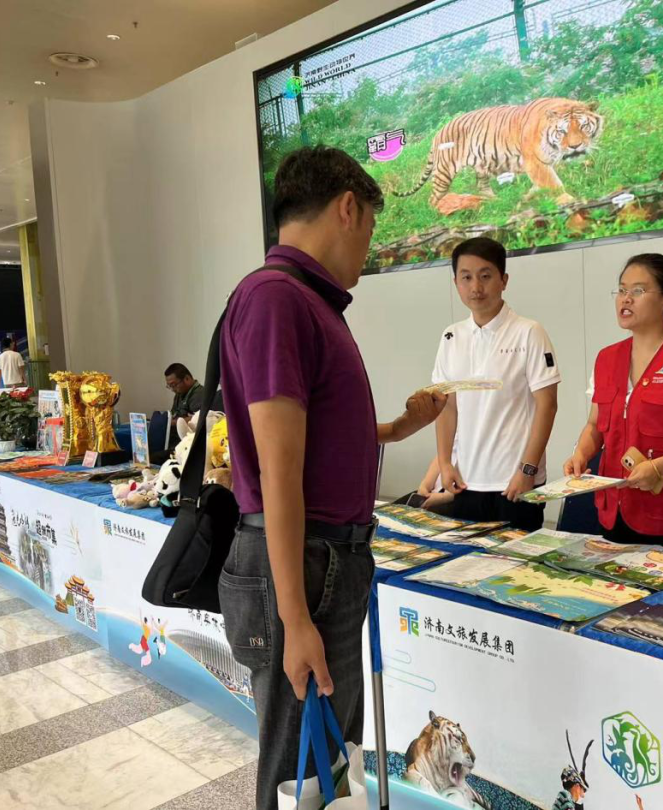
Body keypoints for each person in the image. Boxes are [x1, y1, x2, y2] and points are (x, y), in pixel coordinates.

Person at [217, 145, 446, 810]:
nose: (368, 251)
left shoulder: (306, 302)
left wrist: (399, 427)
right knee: (300, 768)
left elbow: (313, 438)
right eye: (371, 228)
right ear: (348, 208)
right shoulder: (276, 299)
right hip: (304, 566)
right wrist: (294, 618)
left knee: (329, 763)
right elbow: (279, 468)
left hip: (324, 561)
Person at [564, 254, 663, 556]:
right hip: (615, 509)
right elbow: (595, 425)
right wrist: (581, 453)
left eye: (638, 291)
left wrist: (657, 467)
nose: (625, 299)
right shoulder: (607, 358)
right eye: (621, 290)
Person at [433, 237, 560, 531]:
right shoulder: (451, 336)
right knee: (465, 559)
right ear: (456, 283)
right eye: (466, 277)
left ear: (504, 280)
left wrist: (527, 470)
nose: (476, 287)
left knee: (517, 561)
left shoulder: (529, 332)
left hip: (515, 483)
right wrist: (445, 463)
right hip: (466, 481)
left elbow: (547, 405)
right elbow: (447, 406)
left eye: (485, 276)